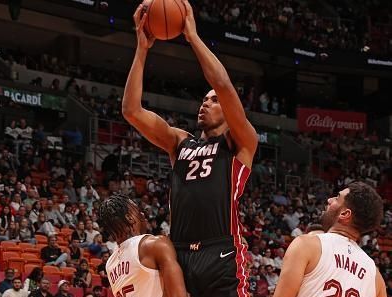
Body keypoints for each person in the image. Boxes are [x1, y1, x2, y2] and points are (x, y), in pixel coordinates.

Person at [123, 2, 258, 296]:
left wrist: (192, 36)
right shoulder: (179, 142)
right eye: (203, 99)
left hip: (221, 251)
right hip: (179, 254)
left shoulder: (241, 142)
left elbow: (221, 83)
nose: (205, 103)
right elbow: (131, 111)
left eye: (213, 100)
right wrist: (142, 48)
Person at [274, 182, 386, 297]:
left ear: (345, 214)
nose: (329, 200)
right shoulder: (376, 279)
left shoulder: (306, 246)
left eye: (337, 198)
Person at [98, 193, 187, 297]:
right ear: (130, 218)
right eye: (138, 211)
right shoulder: (153, 244)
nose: (143, 215)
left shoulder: (110, 264)